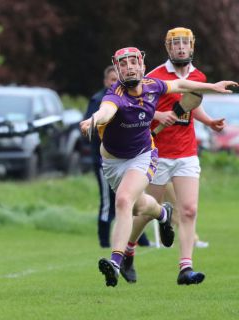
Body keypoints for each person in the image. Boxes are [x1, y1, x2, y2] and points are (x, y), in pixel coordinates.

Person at [80, 46, 236, 287]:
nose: (129, 66)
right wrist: (92, 120)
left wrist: (212, 87)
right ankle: (163, 214)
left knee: (123, 200)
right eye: (123, 64)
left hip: (143, 156)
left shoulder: (154, 85)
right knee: (138, 206)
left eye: (133, 62)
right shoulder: (115, 95)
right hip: (112, 162)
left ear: (143, 66)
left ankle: (115, 261)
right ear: (118, 69)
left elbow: (182, 86)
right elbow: (105, 112)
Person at [120, 28, 224, 285]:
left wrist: (209, 122)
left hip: (187, 153)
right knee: (147, 211)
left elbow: (191, 104)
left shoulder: (198, 76)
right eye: (175, 44)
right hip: (157, 153)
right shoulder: (154, 76)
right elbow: (139, 108)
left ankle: (185, 268)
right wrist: (158, 117)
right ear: (168, 48)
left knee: (188, 209)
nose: (180, 48)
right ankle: (129, 249)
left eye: (184, 44)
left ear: (192, 47)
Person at [85, 66, 150, 248]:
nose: (115, 82)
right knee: (109, 202)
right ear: (106, 82)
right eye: (111, 80)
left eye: (117, 79)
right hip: (105, 161)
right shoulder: (99, 100)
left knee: (132, 199)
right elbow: (94, 124)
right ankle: (104, 242)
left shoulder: (131, 98)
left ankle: (140, 240)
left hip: (130, 159)